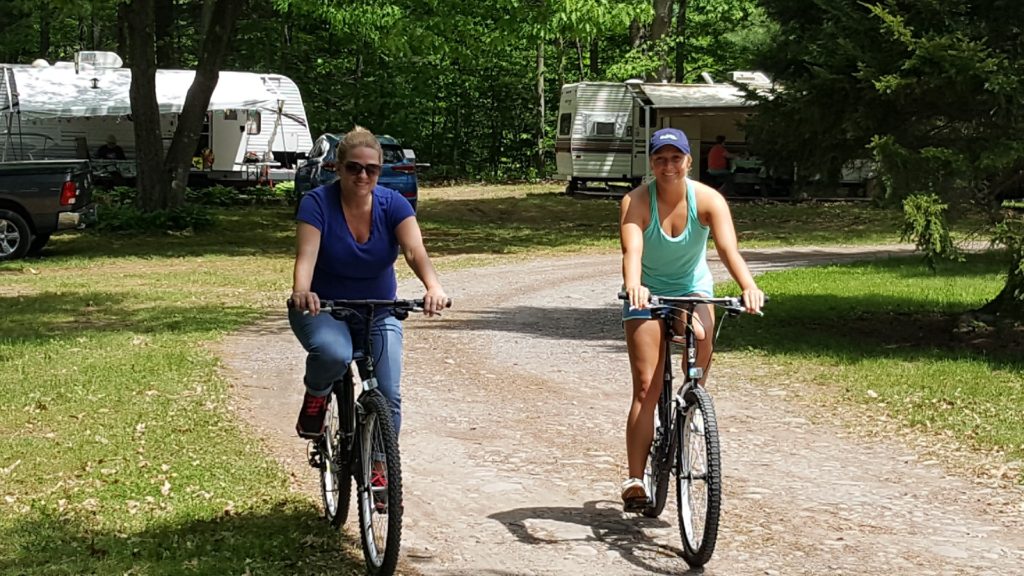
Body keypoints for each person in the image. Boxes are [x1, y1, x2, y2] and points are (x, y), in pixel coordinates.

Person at [619, 127, 764, 509]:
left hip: (693, 288)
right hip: (647, 291)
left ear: (688, 160)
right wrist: (634, 285)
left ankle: (690, 409)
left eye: (675, 158)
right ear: (651, 163)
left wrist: (748, 286)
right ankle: (636, 478)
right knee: (647, 385)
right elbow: (631, 252)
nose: (669, 166)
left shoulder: (708, 199)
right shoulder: (635, 200)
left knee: (699, 351)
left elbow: (729, 249)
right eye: (660, 158)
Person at [288, 125, 448, 440]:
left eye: (371, 169)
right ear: (337, 167)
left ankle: (378, 466)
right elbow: (306, 255)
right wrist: (302, 290)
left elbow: (414, 251)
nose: (363, 175)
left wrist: (434, 286)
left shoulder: (394, 204)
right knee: (334, 354)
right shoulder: (316, 203)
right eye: (354, 167)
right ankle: (317, 395)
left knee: (388, 394)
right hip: (325, 308)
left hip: (379, 311)